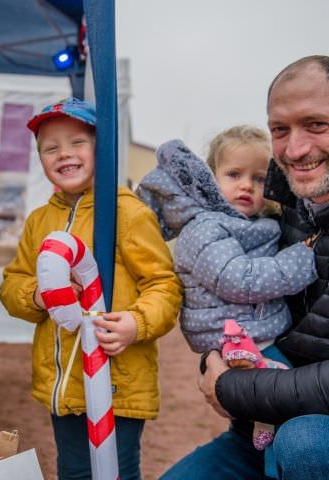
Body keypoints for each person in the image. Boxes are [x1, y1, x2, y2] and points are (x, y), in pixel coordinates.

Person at [162, 55, 329, 480]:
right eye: (280, 129)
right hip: (261, 423)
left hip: (305, 427)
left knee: (305, 443)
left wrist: (231, 387)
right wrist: (213, 361)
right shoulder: (279, 212)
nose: (296, 148)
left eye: (317, 124)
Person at [0, 97, 183, 480]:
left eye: (77, 143)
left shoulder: (127, 213)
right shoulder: (38, 221)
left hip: (118, 381)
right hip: (64, 383)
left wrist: (136, 323)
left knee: (117, 470)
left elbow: (164, 285)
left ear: (102, 149)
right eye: (51, 148)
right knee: (75, 470)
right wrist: (37, 294)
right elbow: (12, 283)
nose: (64, 154)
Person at [137, 126, 316, 453]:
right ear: (211, 180)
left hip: (251, 329)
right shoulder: (204, 227)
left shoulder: (253, 225)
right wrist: (304, 257)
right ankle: (270, 438)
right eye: (234, 174)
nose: (247, 185)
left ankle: (264, 424)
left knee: (283, 393)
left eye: (259, 178)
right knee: (287, 391)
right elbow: (239, 280)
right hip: (234, 334)